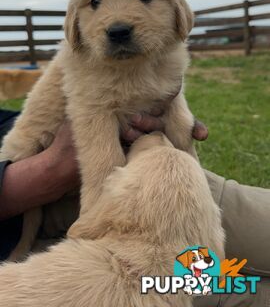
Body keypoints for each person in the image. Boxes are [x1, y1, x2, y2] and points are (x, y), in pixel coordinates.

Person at [0, 108, 269, 306]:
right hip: (32, 208)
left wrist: (131, 113)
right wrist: (50, 168)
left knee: (253, 229)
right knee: (221, 291)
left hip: (153, 182)